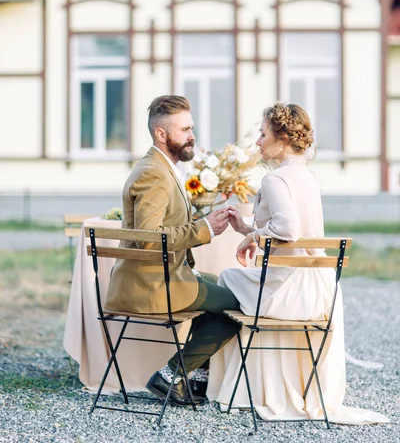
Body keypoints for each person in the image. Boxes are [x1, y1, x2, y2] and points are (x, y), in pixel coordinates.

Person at [206, 102, 388, 425]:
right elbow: (293, 230)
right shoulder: (308, 176)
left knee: (225, 279)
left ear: (282, 138)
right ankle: (248, 382)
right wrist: (247, 227)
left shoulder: (274, 181)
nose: (258, 142)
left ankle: (230, 382)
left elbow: (286, 229)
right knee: (236, 280)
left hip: (288, 289)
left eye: (263, 135)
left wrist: (251, 239)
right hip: (319, 285)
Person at [105, 95, 241, 406]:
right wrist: (203, 229)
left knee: (218, 284)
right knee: (238, 307)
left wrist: (203, 222)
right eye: (185, 130)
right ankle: (171, 375)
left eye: (192, 128)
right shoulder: (153, 172)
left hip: (160, 276)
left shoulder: (162, 167)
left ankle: (190, 380)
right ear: (161, 134)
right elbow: (150, 238)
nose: (192, 135)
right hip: (150, 284)